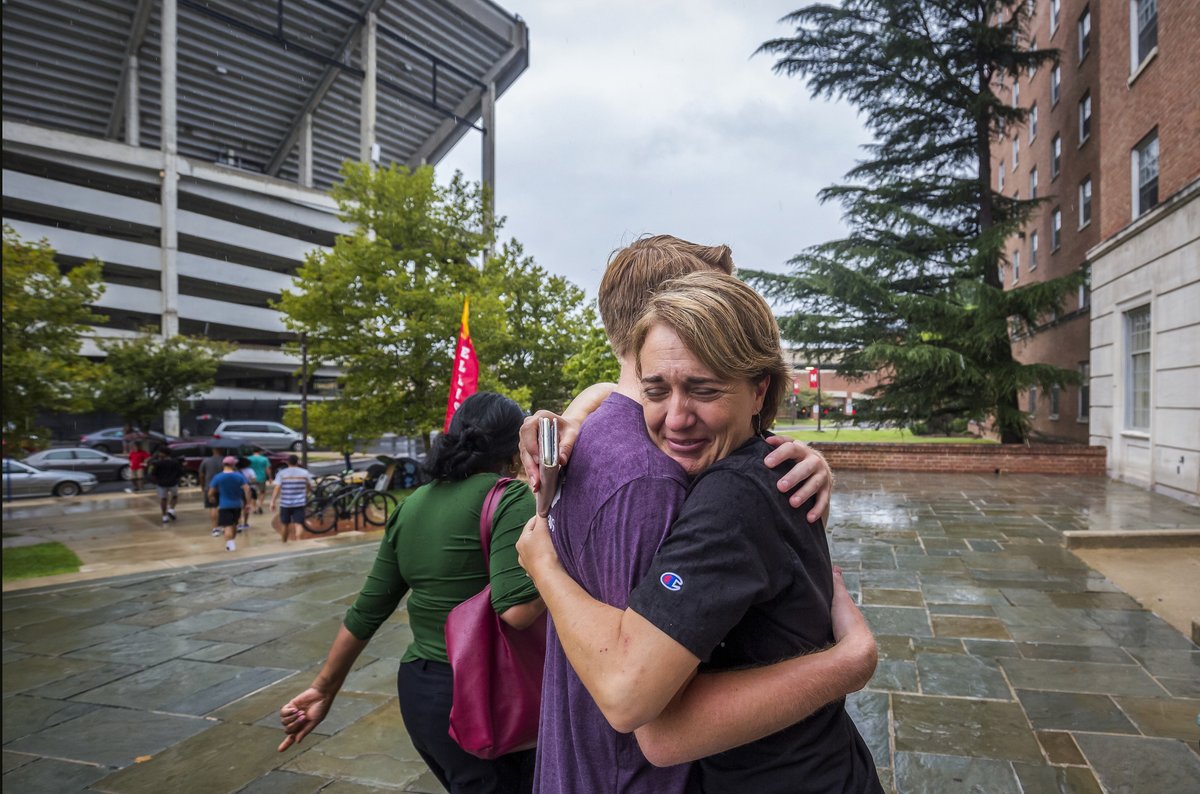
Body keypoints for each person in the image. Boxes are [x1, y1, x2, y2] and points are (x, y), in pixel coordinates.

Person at [513, 236, 870, 793]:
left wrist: (545, 568)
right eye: (660, 388)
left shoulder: (711, 485)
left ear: (758, 387)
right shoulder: (652, 477)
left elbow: (643, 708)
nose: (676, 417)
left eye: (703, 386)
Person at [277, 392, 544, 794]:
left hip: (421, 694)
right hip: (485, 693)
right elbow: (517, 610)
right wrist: (563, 568)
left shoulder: (412, 504)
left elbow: (368, 608)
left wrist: (324, 688)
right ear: (514, 445)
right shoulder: (509, 497)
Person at [207, 456, 250, 552]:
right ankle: (232, 543)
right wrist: (248, 503)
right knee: (234, 525)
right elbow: (247, 490)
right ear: (233, 464)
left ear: (223, 464)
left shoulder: (218, 477)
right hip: (237, 505)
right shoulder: (239, 476)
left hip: (224, 505)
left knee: (227, 526)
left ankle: (230, 546)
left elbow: (210, 492)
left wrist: (212, 498)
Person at [270, 454, 314, 543]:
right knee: (298, 523)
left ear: (287, 462)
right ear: (297, 462)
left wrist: (272, 501)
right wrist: (307, 492)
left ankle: (284, 542)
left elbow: (277, 488)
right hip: (300, 503)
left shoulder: (282, 473)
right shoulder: (304, 473)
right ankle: (299, 541)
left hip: (285, 503)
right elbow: (310, 486)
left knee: (285, 524)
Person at [146, 449, 183, 524]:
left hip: (161, 484)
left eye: (160, 453)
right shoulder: (175, 462)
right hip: (173, 483)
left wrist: (156, 481)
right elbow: (180, 472)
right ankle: (171, 509)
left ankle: (164, 516)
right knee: (174, 497)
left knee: (163, 499)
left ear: (164, 454)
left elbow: (152, 473)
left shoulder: (157, 463)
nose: (159, 454)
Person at [198, 447, 225, 536]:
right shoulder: (225, 461)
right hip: (223, 487)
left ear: (213, 450)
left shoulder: (206, 461)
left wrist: (202, 486)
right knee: (223, 507)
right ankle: (224, 525)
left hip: (209, 487)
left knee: (213, 507)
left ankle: (215, 528)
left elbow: (201, 475)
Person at [235, 456, 258, 532]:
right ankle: (245, 523)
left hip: (237, 490)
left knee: (238, 507)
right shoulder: (250, 470)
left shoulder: (235, 471)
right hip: (247, 489)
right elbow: (254, 480)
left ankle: (238, 523)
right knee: (246, 506)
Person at [247, 447, 271, 514]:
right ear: (259, 451)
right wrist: (270, 477)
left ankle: (254, 507)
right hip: (262, 477)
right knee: (262, 492)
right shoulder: (264, 459)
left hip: (251, 478)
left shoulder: (248, 458)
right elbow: (267, 469)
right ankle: (260, 505)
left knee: (253, 492)